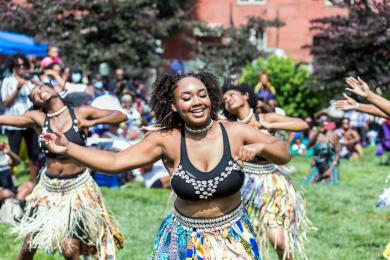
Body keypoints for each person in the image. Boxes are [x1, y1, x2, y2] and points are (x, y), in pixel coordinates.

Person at [41, 72, 291, 259]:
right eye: (187, 97)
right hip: (183, 239)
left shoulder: (235, 132)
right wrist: (69, 148)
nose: (197, 102)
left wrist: (261, 148)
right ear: (174, 105)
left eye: (202, 94)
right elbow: (116, 162)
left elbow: (283, 152)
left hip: (233, 238)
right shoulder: (166, 140)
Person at [0, 81, 127, 259]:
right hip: (47, 190)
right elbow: (7, 119)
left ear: (56, 90)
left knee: (70, 250)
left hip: (78, 190)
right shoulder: (38, 118)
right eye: (35, 94)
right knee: (28, 245)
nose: (39, 92)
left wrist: (93, 122)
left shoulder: (80, 112)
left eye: (42, 87)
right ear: (37, 103)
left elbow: (120, 115)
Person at [222, 83, 311, 260]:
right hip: (241, 185)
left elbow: (302, 125)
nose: (228, 100)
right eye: (224, 100)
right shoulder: (228, 125)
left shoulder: (265, 118)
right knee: (242, 243)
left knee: (279, 242)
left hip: (271, 185)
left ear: (246, 95)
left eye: (231, 95)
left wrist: (266, 123)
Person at [1, 54, 39, 182]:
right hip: (14, 122)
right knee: (13, 153)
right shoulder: (8, 81)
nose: (22, 67)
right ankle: (9, 180)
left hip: (31, 122)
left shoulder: (32, 80)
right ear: (13, 66)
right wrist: (18, 88)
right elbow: (5, 103)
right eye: (18, 65)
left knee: (34, 153)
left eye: (24, 64)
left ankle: (33, 182)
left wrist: (37, 85)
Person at [304, 113, 340, 185]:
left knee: (330, 184)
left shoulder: (334, 135)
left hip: (329, 165)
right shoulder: (315, 133)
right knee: (306, 183)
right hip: (317, 164)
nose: (323, 122)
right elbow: (309, 146)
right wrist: (317, 133)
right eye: (321, 120)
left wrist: (330, 170)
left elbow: (337, 153)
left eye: (325, 120)